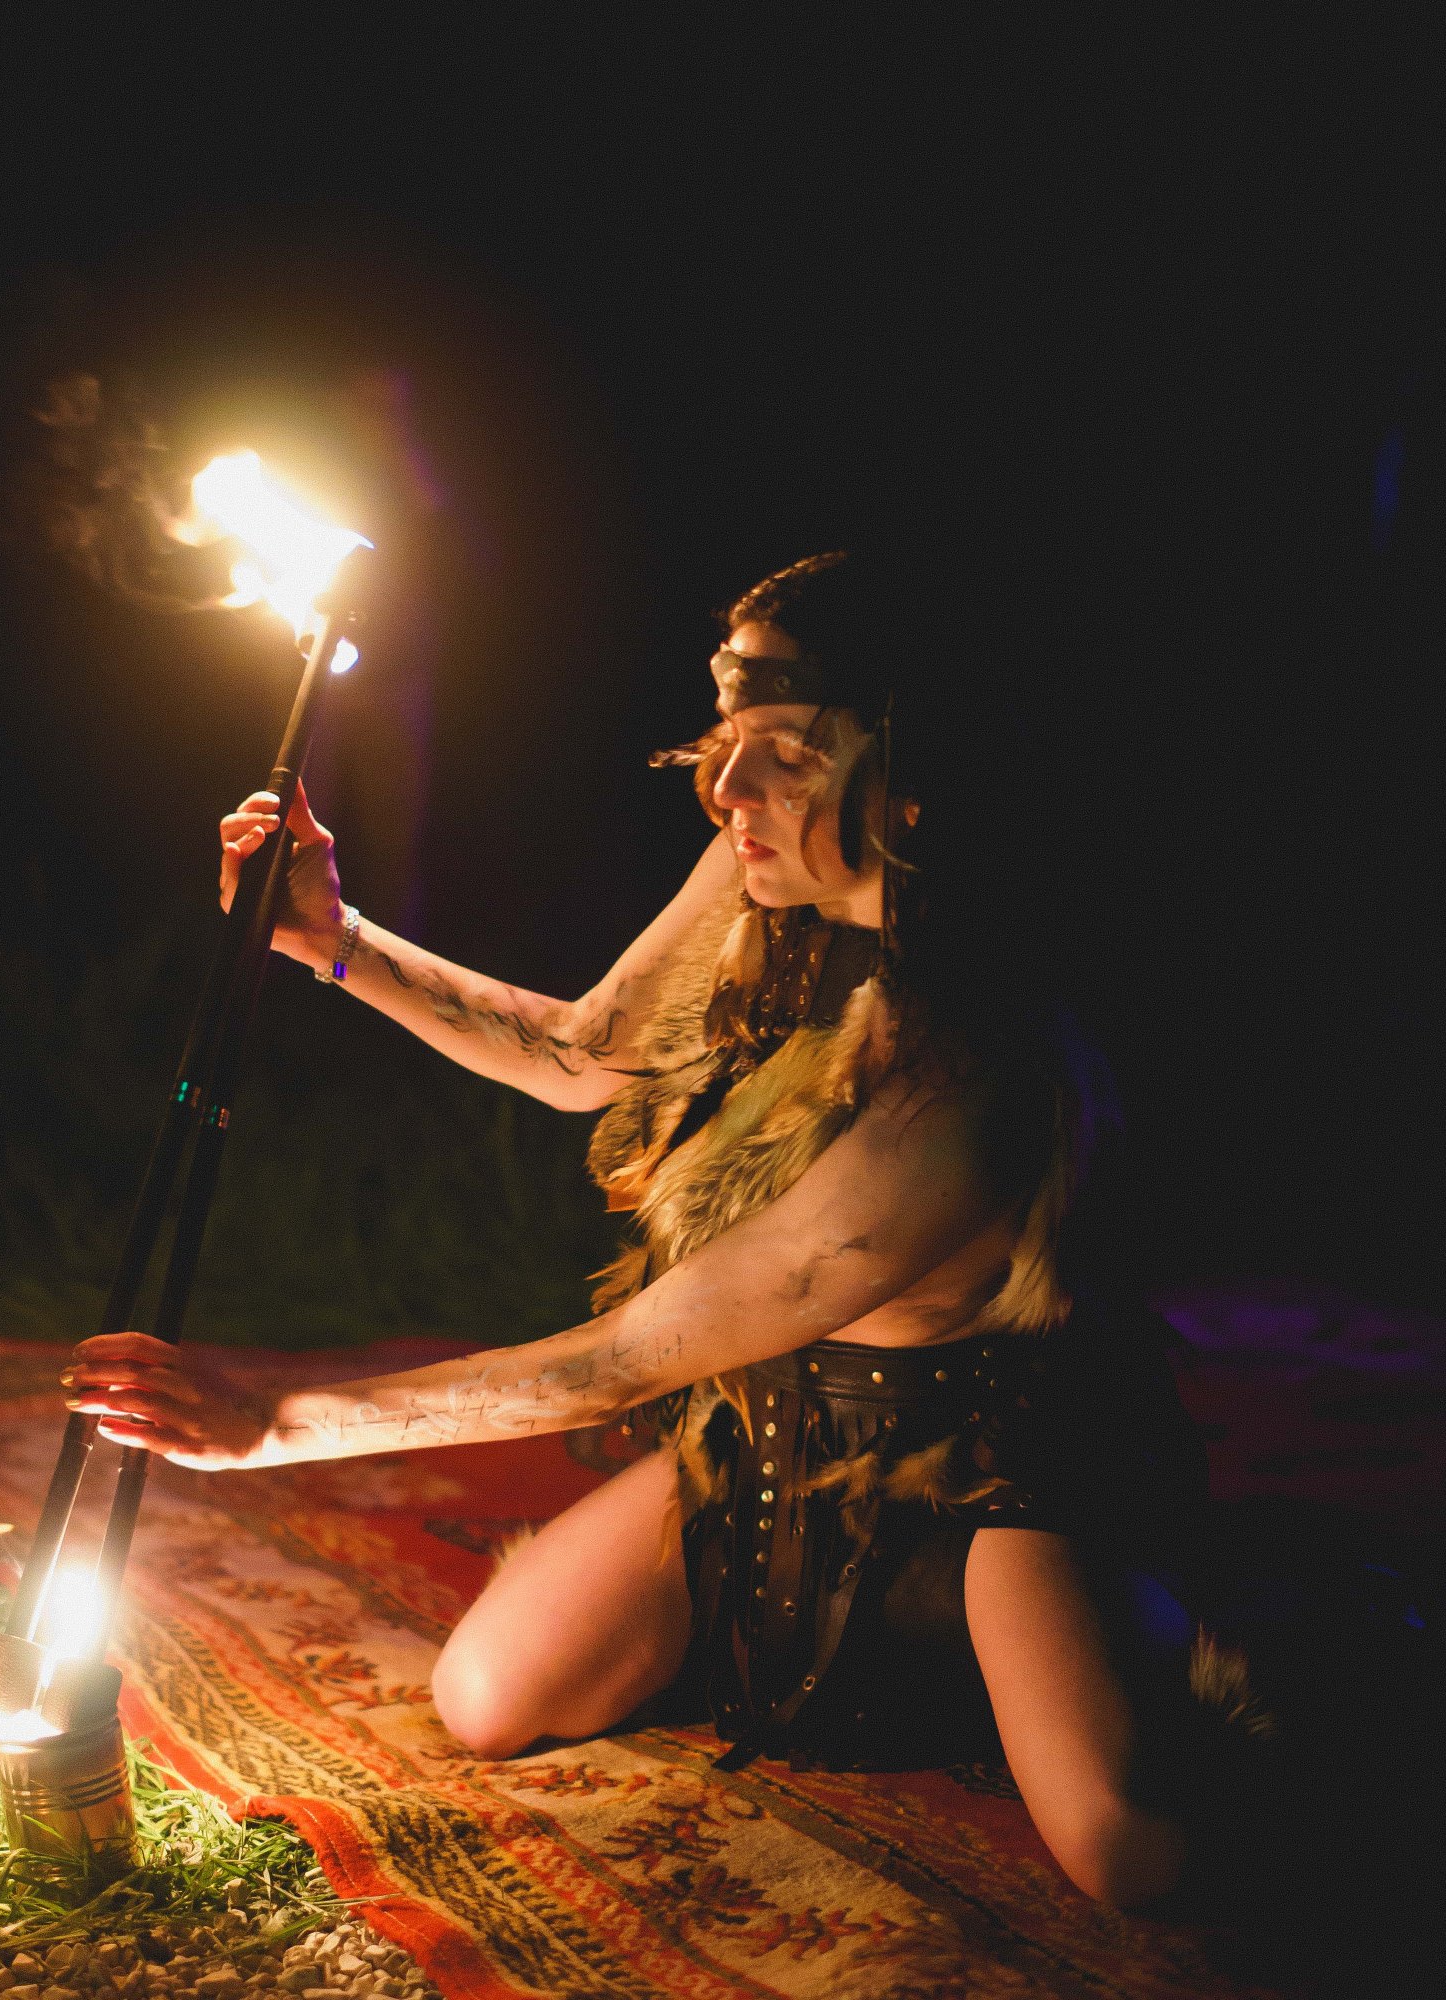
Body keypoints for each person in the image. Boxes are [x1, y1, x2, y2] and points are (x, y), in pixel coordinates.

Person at [65, 552, 1237, 1910]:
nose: (729, 791)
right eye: (726, 742)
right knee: (491, 1691)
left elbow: (625, 1358)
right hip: (782, 1428)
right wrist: (333, 940)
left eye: (786, 756)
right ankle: (921, 1668)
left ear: (915, 782)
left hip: (991, 1464)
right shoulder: (769, 876)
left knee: (1126, 1847)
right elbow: (581, 1053)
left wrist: (279, 1418)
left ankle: (1142, 1613)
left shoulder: (969, 1073)